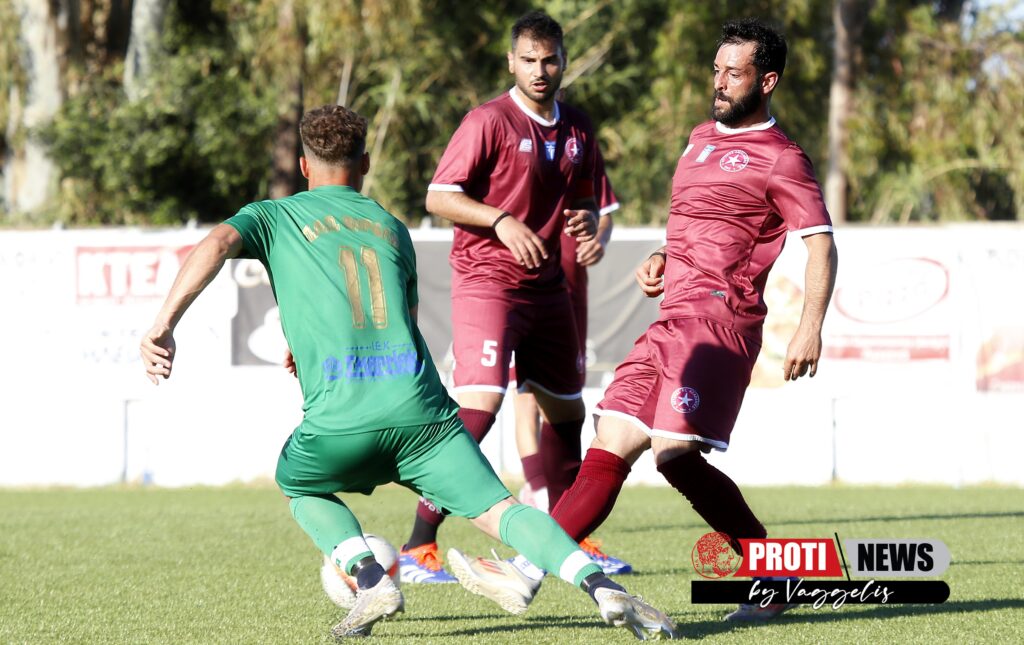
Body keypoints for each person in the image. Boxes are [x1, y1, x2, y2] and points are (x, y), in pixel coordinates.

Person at [138, 104, 676, 640]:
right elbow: (403, 319)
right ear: (365, 163)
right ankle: (600, 584)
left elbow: (216, 243)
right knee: (503, 511)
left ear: (303, 166)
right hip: (424, 417)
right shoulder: (391, 227)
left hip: (341, 420)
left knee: (297, 483)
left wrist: (163, 325)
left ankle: (371, 578)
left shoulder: (273, 217)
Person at [475, 17, 840, 623]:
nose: (720, 82)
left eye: (735, 73)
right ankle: (526, 572)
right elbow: (701, 226)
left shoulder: (783, 159)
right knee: (611, 443)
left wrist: (810, 327)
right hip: (670, 320)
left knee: (674, 455)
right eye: (716, 70)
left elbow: (821, 245)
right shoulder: (699, 138)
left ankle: (772, 577)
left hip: (717, 325)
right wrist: (663, 257)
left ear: (767, 81)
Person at [397, 10, 623, 584]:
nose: (540, 70)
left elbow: (587, 202)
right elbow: (439, 195)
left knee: (568, 413)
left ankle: (568, 537)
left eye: (549, 60)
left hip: (547, 288)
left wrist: (587, 225)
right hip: (487, 280)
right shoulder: (488, 121)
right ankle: (418, 545)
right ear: (511, 62)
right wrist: (499, 220)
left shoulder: (578, 128)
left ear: (564, 61)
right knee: (480, 407)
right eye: (528, 60)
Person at [511, 152, 633, 575]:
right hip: (528, 290)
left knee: (564, 405)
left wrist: (599, 238)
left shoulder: (581, 153)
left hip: (570, 295)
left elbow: (604, 213)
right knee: (527, 398)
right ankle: (542, 495)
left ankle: (564, 523)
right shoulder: (518, 152)